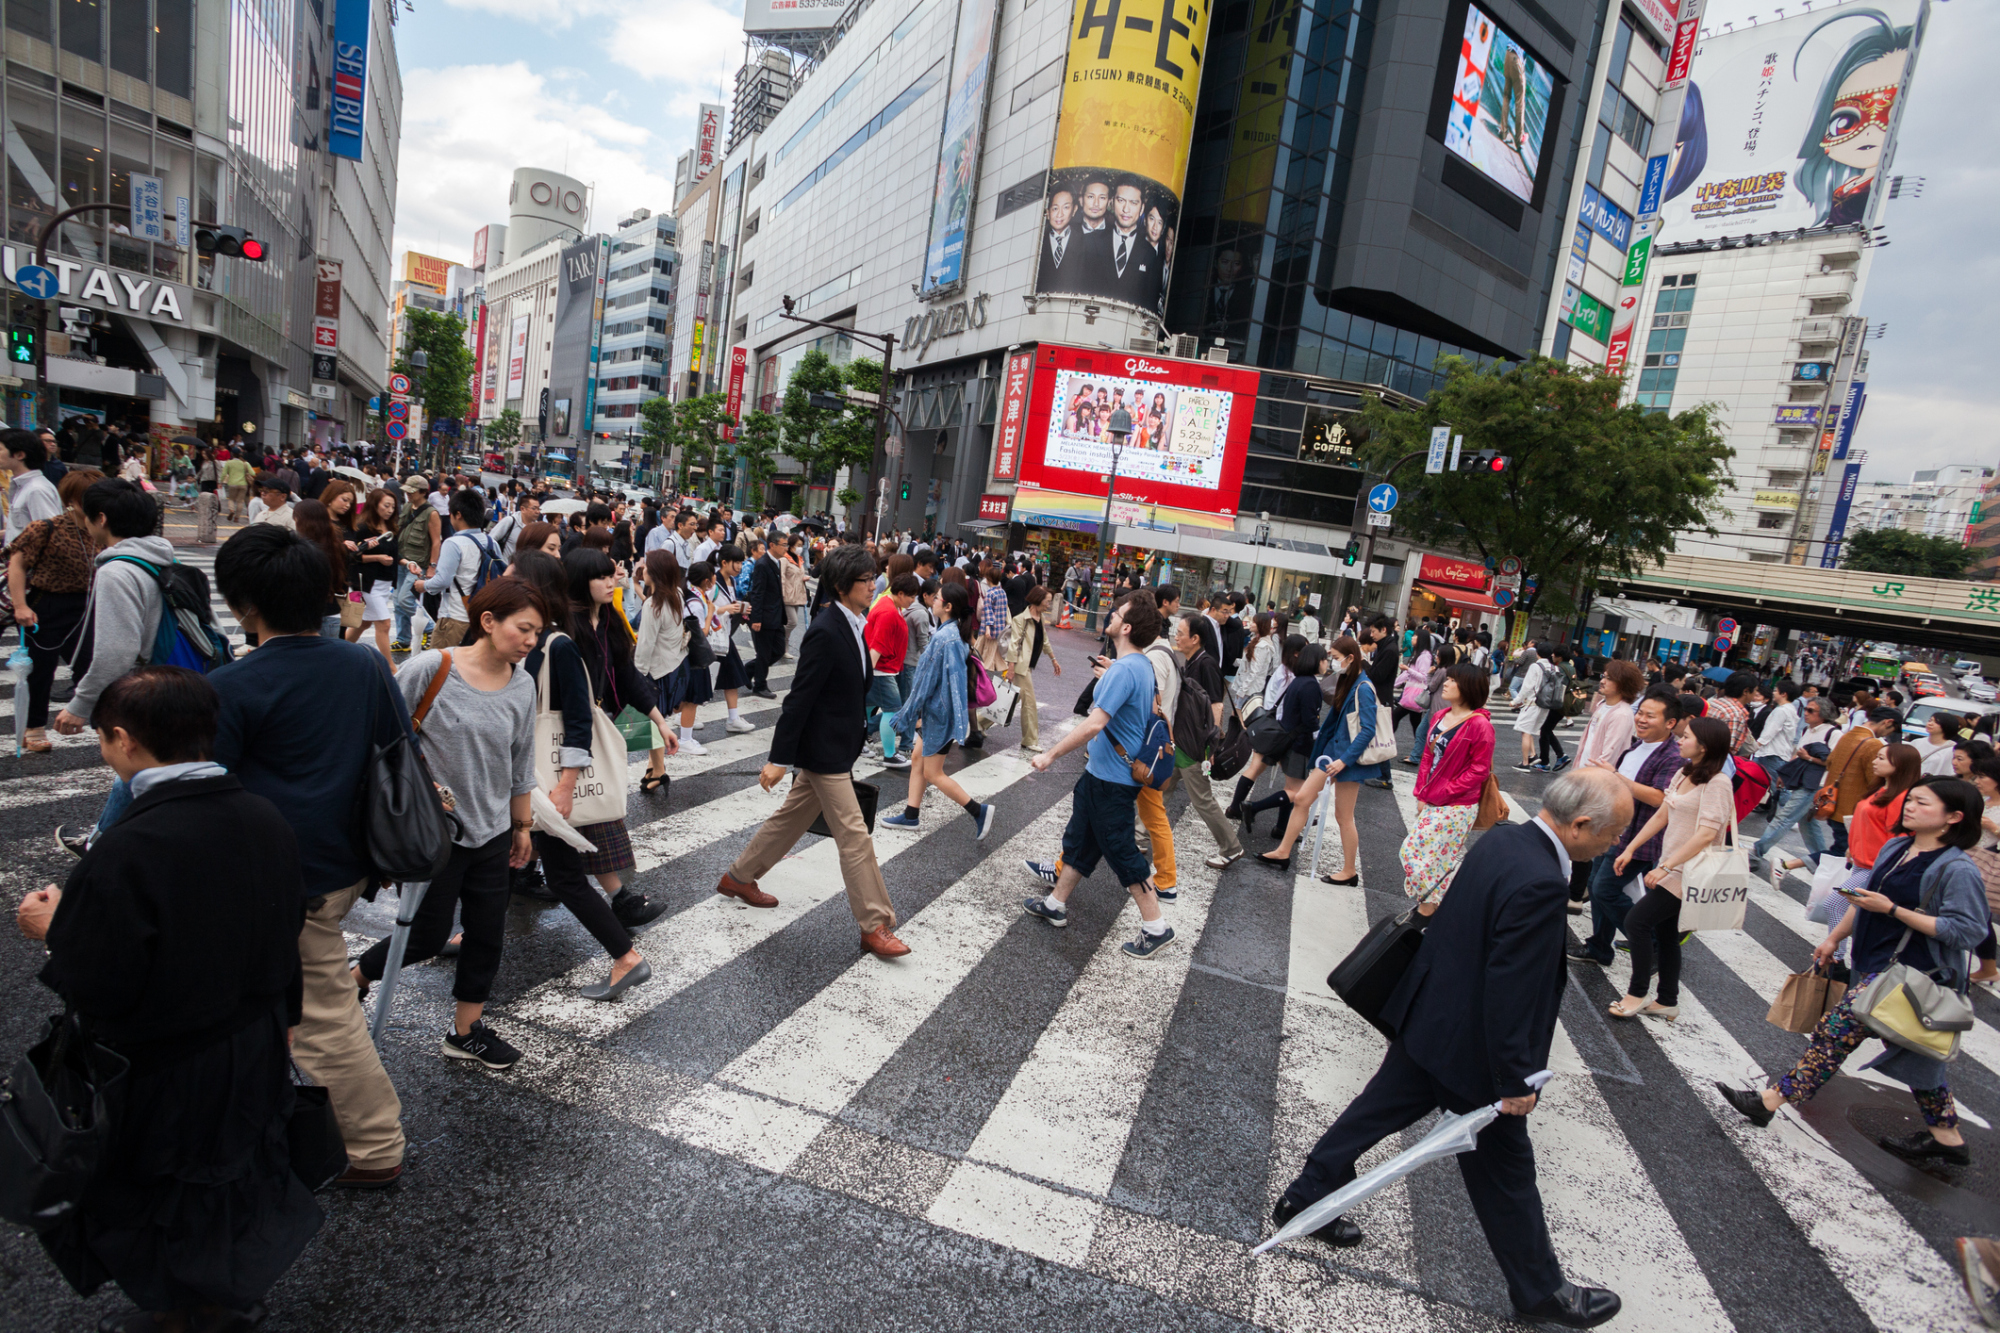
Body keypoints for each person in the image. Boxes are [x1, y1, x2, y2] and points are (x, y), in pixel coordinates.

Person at [15, 667, 322, 1333]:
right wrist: (289, 1023)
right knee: (234, 1171)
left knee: (169, 1190)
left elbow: (101, 981)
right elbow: (286, 929)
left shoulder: (129, 845)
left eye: (103, 737)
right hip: (256, 1035)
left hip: (171, 1061)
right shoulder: (263, 815)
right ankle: (226, 1296)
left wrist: (54, 928)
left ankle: (197, 1314)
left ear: (123, 740)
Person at [1272, 769, 1633, 1328]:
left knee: (1375, 1111)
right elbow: (1512, 987)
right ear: (1581, 825)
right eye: (1613, 834)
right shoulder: (1542, 879)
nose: (1615, 844)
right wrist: (1515, 1080)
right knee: (1506, 1172)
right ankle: (1541, 1293)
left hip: (1431, 1016)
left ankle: (1307, 1194)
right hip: (1475, 1049)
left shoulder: (1505, 838)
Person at [207, 523, 410, 1187]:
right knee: (286, 995)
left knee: (322, 1012)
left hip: (283, 877)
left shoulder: (232, 686)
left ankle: (374, 1147)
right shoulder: (360, 663)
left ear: (243, 606)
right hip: (349, 861)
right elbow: (394, 749)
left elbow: (212, 789)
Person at [1718, 778, 1990, 1169]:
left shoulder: (1956, 868)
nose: (1909, 807)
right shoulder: (1899, 847)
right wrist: (1835, 938)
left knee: (1834, 1034)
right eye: (1909, 800)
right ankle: (1947, 1139)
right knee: (1920, 1060)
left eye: (1922, 803)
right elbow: (1865, 899)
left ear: (1953, 818)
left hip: (1914, 976)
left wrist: (1894, 911)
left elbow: (1968, 931)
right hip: (1875, 964)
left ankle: (1767, 1101)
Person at [351, 578, 544, 1069]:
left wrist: (522, 827)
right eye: (524, 629)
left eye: (537, 633)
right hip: (436, 834)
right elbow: (382, 735)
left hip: (494, 830)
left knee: (486, 933)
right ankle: (355, 978)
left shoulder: (523, 684)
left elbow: (521, 760)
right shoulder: (432, 668)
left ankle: (466, 1030)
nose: (530, 641)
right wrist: (422, 784)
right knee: (427, 933)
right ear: (488, 622)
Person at [717, 543, 912, 958]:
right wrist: (777, 759)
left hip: (837, 746)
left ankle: (739, 876)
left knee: (790, 819)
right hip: (824, 753)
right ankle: (875, 923)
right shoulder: (826, 629)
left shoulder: (853, 622)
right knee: (855, 836)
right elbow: (799, 699)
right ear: (843, 586)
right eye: (864, 580)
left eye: (871, 577)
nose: (872, 584)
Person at [1022, 590, 1174, 958]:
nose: (1110, 614)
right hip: (1102, 775)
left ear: (1127, 626)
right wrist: (1109, 674)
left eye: (1116, 612)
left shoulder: (1126, 669)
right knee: (1082, 840)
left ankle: (1156, 926)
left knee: (1121, 849)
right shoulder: (1137, 666)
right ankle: (1056, 903)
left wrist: (1051, 755)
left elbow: (1094, 725)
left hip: (1112, 780)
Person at [1608, 716, 1735, 1021]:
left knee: (1637, 922)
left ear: (1704, 746)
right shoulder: (1684, 772)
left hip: (1689, 871)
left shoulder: (1718, 783)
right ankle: (1667, 1000)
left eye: (1686, 736)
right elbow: (1661, 816)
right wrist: (1630, 847)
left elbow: (1706, 833)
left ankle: (1636, 994)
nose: (1679, 740)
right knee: (1666, 934)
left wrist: (1666, 866)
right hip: (1673, 866)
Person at [1569, 689, 1687, 967]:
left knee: (1605, 890)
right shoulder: (1637, 746)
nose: (1642, 720)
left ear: (1670, 723)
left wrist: (1616, 777)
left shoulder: (1672, 756)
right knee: (1598, 889)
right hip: (1611, 830)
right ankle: (1600, 947)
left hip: (1639, 838)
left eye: (1650, 715)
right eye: (1640, 713)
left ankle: (1652, 944)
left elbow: (1660, 798)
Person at [50, 479, 173, 737]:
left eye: (86, 514)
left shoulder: (116, 572)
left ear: (101, 519)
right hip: (178, 684)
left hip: (143, 693)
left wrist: (80, 704)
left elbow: (116, 652)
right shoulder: (168, 560)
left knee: (138, 771)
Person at [1260, 636, 1384, 881]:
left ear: (1350, 658)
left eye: (1336, 658)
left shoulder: (1363, 687)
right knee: (1303, 799)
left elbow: (1368, 730)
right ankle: (1283, 851)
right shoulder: (1348, 681)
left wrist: (1344, 760)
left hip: (1346, 760)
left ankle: (1349, 871)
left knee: (1343, 816)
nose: (1332, 662)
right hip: (1334, 756)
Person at [880, 581, 996, 838]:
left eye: (937, 598)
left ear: (948, 606)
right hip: (937, 713)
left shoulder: (947, 638)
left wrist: (913, 713)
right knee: (917, 760)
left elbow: (935, 682)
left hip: (940, 715)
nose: (932, 600)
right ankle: (911, 815)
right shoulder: (951, 632)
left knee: (933, 772)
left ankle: (978, 810)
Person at [5, 467, 102, 752]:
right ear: (72, 499)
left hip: (85, 605)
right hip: (47, 604)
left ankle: (102, 724)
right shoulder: (46, 528)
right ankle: (33, 729)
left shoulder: (102, 529)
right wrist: (20, 605)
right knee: (41, 670)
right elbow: (17, 565)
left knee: (92, 667)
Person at [1397, 662, 1496, 912]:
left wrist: (1445, 791)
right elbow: (1428, 756)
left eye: (1453, 680)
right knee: (1437, 861)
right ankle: (1429, 912)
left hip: (1458, 804)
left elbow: (1480, 770)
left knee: (1412, 852)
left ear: (1468, 687)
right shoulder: (1442, 715)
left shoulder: (1479, 725)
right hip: (1433, 798)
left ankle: (1440, 906)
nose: (1446, 683)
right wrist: (1422, 792)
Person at [1243, 641, 1326, 849]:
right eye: (1325, 659)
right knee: (1296, 792)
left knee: (1291, 788)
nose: (1327, 664)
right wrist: (1320, 736)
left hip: (1289, 740)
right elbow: (1309, 720)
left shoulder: (1299, 681)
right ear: (1316, 661)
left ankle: (1280, 827)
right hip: (1300, 743)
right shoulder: (1311, 685)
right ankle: (1254, 807)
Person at [1753, 697, 1840, 863]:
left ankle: (1757, 851)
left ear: (1823, 714)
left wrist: (1809, 758)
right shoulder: (1808, 730)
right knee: (1808, 824)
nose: (1805, 713)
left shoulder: (1833, 733)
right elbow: (1797, 754)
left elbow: (1834, 763)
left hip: (1817, 784)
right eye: (1806, 709)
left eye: (1810, 710)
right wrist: (1785, 774)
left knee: (1784, 818)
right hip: (1804, 781)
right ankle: (1822, 860)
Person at [413, 489, 502, 650]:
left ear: (458, 514)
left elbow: (443, 581)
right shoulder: (491, 543)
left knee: (441, 668)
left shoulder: (454, 543)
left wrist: (423, 585)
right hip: (483, 622)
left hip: (454, 619)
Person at [632, 549, 688, 793]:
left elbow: (645, 646)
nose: (642, 568)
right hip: (674, 666)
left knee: (650, 721)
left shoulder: (652, 606)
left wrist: (637, 676)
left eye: (645, 566)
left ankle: (660, 771)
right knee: (657, 720)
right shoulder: (676, 594)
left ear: (653, 573)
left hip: (654, 671)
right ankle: (653, 767)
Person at [1821, 705, 1901, 857]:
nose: (1890, 734)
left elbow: (1830, 761)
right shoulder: (1873, 744)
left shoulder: (1848, 735)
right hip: (1851, 812)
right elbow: (1875, 780)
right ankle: (1789, 865)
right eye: (1893, 729)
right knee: (1843, 854)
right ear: (1887, 722)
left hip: (1832, 803)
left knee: (1840, 850)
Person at [864, 571, 919, 765]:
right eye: (911, 596)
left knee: (867, 707)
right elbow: (877, 645)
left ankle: (857, 742)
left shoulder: (891, 604)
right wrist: (867, 674)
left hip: (883, 668)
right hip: (881, 670)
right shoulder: (889, 611)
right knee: (893, 710)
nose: (913, 600)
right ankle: (889, 755)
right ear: (901, 593)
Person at [1002, 585, 1061, 752]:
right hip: (1021, 667)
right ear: (1037, 600)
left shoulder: (1039, 617)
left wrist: (1053, 659)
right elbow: (1014, 645)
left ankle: (979, 723)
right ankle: (1029, 739)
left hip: (1026, 666)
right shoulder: (1021, 619)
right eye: (1047, 601)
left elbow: (1045, 641)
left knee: (1007, 702)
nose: (1048, 605)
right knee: (1030, 704)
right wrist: (1011, 667)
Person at [391, 475, 442, 651]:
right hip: (402, 561)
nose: (409, 495)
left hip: (418, 564)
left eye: (412, 492)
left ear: (423, 492)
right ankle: (403, 639)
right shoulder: (407, 507)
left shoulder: (431, 513)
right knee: (398, 603)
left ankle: (430, 628)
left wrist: (432, 567)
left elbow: (436, 541)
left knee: (405, 599)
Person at [743, 533, 786, 699]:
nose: (786, 548)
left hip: (776, 616)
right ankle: (760, 685)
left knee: (779, 650)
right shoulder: (762, 564)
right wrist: (756, 619)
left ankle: (748, 670)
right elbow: (757, 593)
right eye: (783, 545)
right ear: (772, 545)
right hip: (765, 617)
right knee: (764, 653)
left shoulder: (776, 562)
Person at [3, 428, 62, 545]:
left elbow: (51, 536)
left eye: (0, 449)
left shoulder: (37, 490)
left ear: (20, 455)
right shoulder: (22, 486)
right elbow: (21, 529)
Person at [1915, 712, 1963, 777]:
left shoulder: (1952, 749)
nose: (1930, 724)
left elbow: (1950, 773)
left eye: (1936, 722)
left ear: (1947, 726)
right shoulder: (1916, 742)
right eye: (1930, 720)